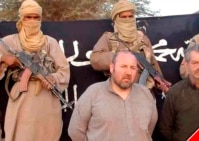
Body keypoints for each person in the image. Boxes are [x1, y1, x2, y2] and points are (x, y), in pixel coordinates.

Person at [90, 1, 169, 140]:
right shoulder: (109, 38)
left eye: (130, 16)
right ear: (115, 19)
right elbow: (95, 59)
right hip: (118, 94)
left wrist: (159, 82)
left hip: (144, 93)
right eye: (123, 17)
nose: (127, 20)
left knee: (143, 131)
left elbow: (153, 64)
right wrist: (122, 58)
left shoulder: (143, 38)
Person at [0, 0, 70, 140]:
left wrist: (52, 78)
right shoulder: (10, 41)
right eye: (28, 17)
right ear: (22, 18)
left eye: (36, 17)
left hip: (46, 98)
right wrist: (3, 58)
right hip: (21, 98)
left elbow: (64, 70)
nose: (32, 21)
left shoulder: (50, 42)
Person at [68, 50, 157, 141]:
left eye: (133, 68)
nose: (128, 72)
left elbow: (149, 129)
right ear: (112, 68)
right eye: (123, 66)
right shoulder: (93, 93)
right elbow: (75, 131)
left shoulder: (145, 94)